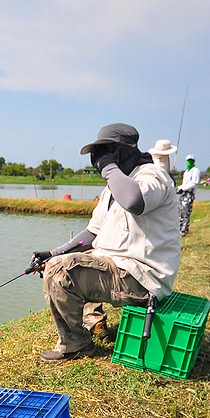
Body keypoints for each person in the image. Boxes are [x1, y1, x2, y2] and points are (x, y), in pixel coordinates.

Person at [31, 123, 179, 362]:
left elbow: (134, 201)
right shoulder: (113, 187)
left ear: (122, 150)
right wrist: (53, 253)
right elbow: (92, 233)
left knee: (62, 271)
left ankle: (76, 345)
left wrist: (109, 168)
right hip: (117, 269)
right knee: (58, 262)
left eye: (105, 151)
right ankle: (93, 321)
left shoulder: (153, 176)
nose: (99, 159)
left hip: (141, 277)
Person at [176, 153, 199, 235]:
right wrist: (178, 188)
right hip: (183, 193)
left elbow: (193, 184)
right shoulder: (186, 172)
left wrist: (183, 189)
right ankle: (179, 229)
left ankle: (184, 230)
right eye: (188, 161)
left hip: (189, 194)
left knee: (186, 212)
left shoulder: (195, 170)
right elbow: (184, 184)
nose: (189, 162)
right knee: (180, 211)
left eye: (191, 161)